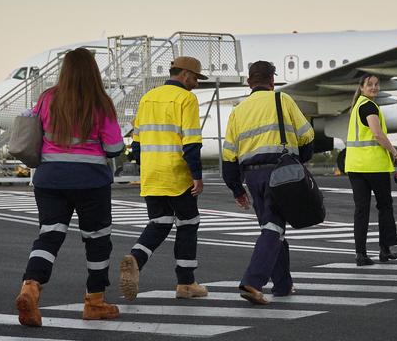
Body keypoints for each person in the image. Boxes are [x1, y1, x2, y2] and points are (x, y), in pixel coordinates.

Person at [15, 47, 124, 327]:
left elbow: (33, 129)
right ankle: (95, 302)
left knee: (49, 236)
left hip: (49, 178)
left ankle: (31, 286)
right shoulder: (101, 103)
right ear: (93, 71)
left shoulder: (48, 98)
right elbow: (114, 147)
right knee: (97, 241)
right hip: (91, 182)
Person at [220, 60, 315, 305]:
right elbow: (307, 135)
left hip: (252, 176)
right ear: (272, 80)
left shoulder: (238, 110)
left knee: (273, 229)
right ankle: (252, 281)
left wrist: (236, 189)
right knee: (274, 228)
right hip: (281, 172)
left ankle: (283, 285)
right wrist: (299, 161)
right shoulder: (281, 100)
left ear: (249, 82)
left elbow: (229, 154)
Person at [117, 56, 208, 301]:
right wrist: (196, 176)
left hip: (152, 174)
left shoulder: (147, 98)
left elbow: (136, 145)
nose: (196, 84)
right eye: (196, 78)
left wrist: (146, 164)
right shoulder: (186, 99)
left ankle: (135, 259)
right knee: (188, 224)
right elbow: (191, 143)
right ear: (186, 75)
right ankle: (186, 283)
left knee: (159, 223)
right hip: (177, 175)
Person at [344, 74, 397, 265]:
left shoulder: (356, 107)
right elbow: (377, 134)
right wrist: (395, 153)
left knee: (361, 211)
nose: (374, 88)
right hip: (374, 166)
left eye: (377, 84)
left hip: (354, 167)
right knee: (385, 206)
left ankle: (360, 255)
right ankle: (385, 250)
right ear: (361, 87)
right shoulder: (369, 107)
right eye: (370, 85)